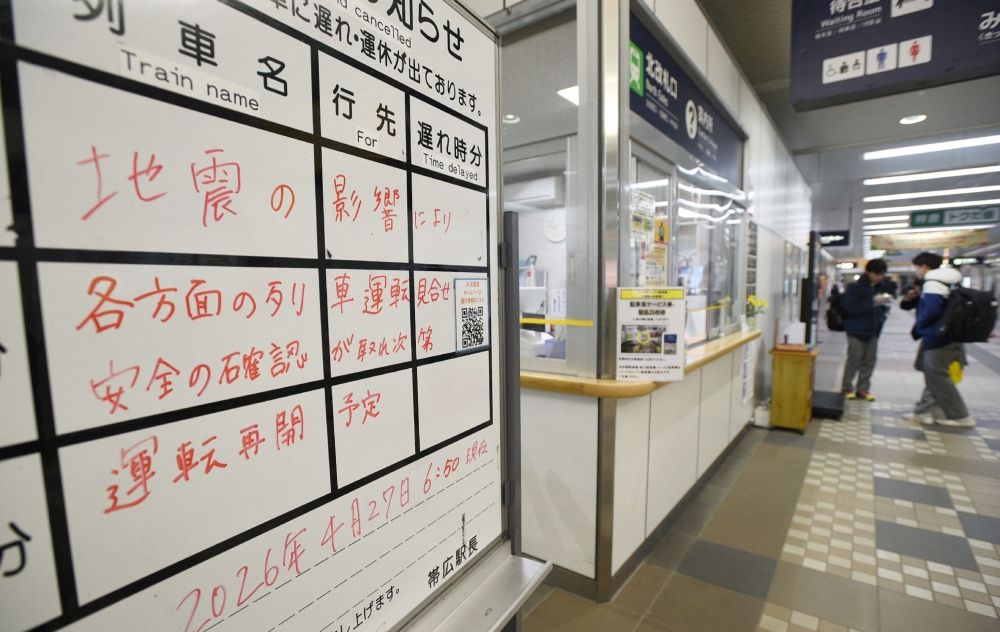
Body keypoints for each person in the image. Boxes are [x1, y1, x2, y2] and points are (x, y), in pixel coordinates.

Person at [903, 252, 975, 427]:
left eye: (918, 267)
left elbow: (931, 311)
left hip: (938, 337)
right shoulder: (951, 281)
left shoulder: (933, 282)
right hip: (950, 334)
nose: (918, 271)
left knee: (939, 377)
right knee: (933, 375)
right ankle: (924, 412)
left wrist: (921, 326)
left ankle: (961, 416)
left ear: (924, 266)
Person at [839, 259, 891, 401]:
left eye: (882, 274)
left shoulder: (881, 287)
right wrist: (873, 302)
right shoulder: (854, 288)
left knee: (869, 361)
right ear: (868, 272)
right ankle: (846, 387)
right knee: (854, 360)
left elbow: (882, 309)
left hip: (873, 331)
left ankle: (863, 389)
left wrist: (883, 310)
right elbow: (850, 308)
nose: (879, 277)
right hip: (856, 330)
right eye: (877, 274)